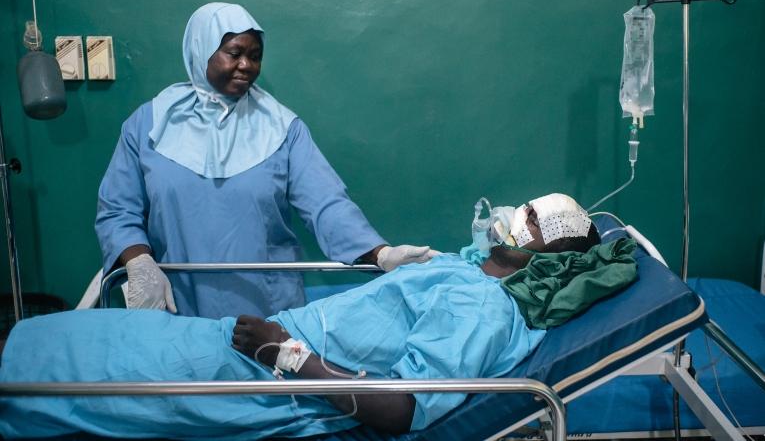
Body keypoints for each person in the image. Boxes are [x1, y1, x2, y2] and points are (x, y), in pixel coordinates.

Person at [1, 194, 636, 439]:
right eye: (525, 207)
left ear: (548, 256)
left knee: (83, 369)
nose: (516, 218)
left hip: (275, 382)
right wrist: (395, 259)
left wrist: (288, 356)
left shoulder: (485, 312)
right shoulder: (467, 269)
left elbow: (404, 411)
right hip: (251, 343)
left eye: (533, 224)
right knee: (84, 337)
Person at [95, 2, 437, 319]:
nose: (246, 65)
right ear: (201, 50)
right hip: (176, 300)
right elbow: (117, 209)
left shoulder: (282, 128)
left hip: (267, 311)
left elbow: (326, 205)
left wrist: (381, 254)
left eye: (255, 56)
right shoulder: (150, 124)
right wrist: (138, 262)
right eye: (234, 53)